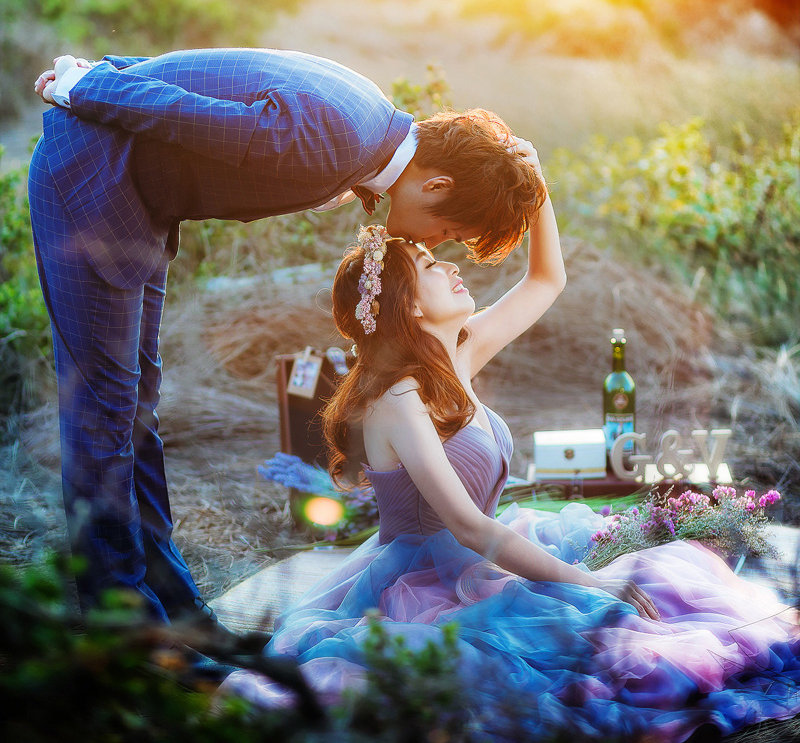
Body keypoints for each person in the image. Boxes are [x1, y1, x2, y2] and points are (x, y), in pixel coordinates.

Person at [221, 151, 800, 741]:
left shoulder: (456, 357)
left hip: (483, 557)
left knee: (665, 588)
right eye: (428, 265)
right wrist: (585, 582)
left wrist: (534, 180)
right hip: (425, 583)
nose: (451, 267)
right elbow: (472, 529)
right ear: (409, 305)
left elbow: (547, 279)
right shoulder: (398, 400)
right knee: (595, 647)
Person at [28, 46, 542, 634]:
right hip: (93, 185)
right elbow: (189, 114)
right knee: (105, 411)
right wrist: (87, 84)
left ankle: (174, 606)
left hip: (137, 206)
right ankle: (124, 629)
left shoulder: (367, 129)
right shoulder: (339, 144)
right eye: (448, 229)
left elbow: (213, 74)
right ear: (436, 186)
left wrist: (115, 71)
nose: (440, 242)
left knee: (135, 406)